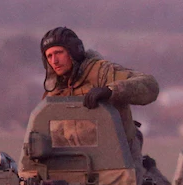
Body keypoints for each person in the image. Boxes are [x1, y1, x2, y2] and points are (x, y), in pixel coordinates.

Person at [40, 27, 159, 165]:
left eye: (59, 53)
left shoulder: (102, 72)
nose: (54, 61)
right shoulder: (55, 89)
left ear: (74, 51)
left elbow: (150, 86)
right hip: (75, 162)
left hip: (118, 159)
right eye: (49, 56)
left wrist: (111, 91)